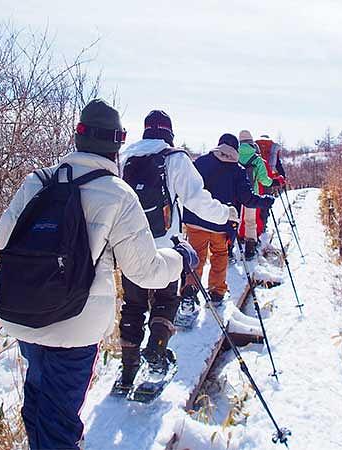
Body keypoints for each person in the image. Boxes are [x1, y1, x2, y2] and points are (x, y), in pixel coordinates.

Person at [0, 99, 199, 450]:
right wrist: (180, 257)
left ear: (78, 136)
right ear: (117, 142)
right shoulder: (118, 194)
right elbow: (146, 272)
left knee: (39, 407)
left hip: (25, 316)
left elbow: (1, 238)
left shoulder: (38, 181)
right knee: (59, 421)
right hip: (76, 327)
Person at [115, 110, 237, 391]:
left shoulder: (127, 158)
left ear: (145, 130)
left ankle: (128, 369)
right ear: (169, 132)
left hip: (129, 247)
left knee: (132, 306)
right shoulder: (174, 159)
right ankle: (156, 356)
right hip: (165, 247)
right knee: (165, 300)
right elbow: (197, 199)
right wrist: (225, 214)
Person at [178, 133, 275, 323]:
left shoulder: (201, 162)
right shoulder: (237, 170)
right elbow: (247, 198)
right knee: (220, 256)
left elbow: (187, 189)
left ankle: (188, 296)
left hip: (195, 220)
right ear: (235, 150)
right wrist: (266, 202)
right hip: (221, 223)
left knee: (195, 258)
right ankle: (216, 293)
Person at [236, 130, 280, 259]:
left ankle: (229, 248)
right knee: (250, 222)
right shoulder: (257, 159)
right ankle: (250, 249)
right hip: (251, 194)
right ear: (251, 142)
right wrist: (274, 181)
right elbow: (264, 181)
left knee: (234, 221)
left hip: (235, 195)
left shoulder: (233, 156)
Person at [255, 134, 287, 228]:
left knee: (254, 202)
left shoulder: (255, 145)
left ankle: (255, 226)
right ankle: (263, 224)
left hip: (255, 178)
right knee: (266, 201)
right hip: (268, 179)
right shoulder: (273, 147)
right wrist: (282, 177)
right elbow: (277, 164)